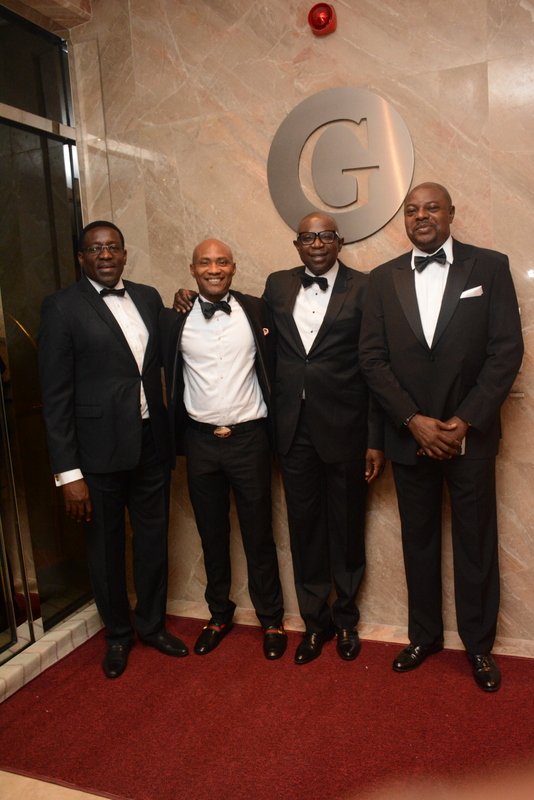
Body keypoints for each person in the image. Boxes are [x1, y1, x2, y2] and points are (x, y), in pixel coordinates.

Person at [359, 182, 524, 691]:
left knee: (476, 543)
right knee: (418, 540)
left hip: (468, 436)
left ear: (451, 213)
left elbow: (506, 351)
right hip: (410, 435)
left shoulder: (489, 267)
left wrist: (464, 420)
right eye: (412, 210)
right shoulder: (381, 279)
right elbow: (372, 359)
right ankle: (424, 636)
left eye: (432, 208)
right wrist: (413, 420)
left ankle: (479, 646)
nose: (421, 216)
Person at [38, 221, 188, 679]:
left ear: (124, 253)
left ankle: (152, 626)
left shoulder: (146, 297)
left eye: (113, 248)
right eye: (95, 249)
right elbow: (55, 398)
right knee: (104, 549)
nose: (105, 255)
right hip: (96, 453)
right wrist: (69, 474)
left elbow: (166, 348)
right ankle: (119, 635)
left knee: (153, 541)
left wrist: (182, 303)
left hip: (151, 442)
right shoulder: (61, 308)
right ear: (81, 257)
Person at [262, 212, 384, 665]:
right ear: (297, 244)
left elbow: (375, 365)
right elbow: (256, 332)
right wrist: (187, 301)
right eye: (308, 237)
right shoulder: (277, 285)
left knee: (348, 528)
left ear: (340, 241)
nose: (317, 243)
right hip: (293, 429)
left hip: (347, 429)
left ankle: (346, 619)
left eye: (325, 236)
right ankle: (315, 624)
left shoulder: (366, 287)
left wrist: (375, 438)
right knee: (304, 528)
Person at [160, 239, 287, 660]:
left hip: (250, 440)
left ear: (233, 267)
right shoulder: (174, 319)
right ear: (192, 269)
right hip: (199, 442)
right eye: (205, 262)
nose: (213, 269)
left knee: (259, 534)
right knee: (211, 534)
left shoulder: (258, 310)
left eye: (221, 262)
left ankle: (271, 619)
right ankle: (218, 615)